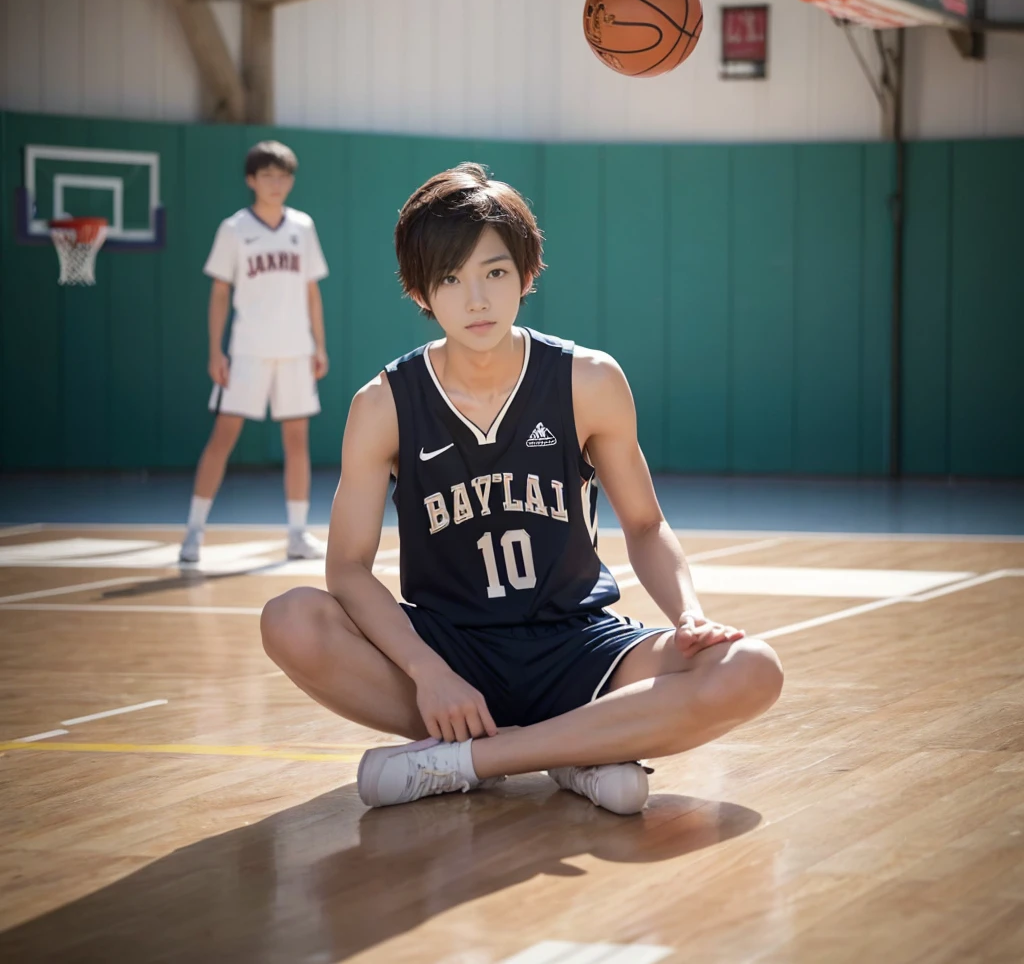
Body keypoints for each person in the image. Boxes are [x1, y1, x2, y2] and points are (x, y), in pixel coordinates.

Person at [260, 163, 783, 814]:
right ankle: (575, 751)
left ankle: (471, 761)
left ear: (527, 274)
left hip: (578, 645)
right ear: (420, 291)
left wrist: (688, 615)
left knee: (752, 667)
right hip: (449, 649)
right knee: (290, 620)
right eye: (450, 278)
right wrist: (429, 673)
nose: (475, 299)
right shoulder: (384, 405)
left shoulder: (586, 381)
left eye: (494, 272)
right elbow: (346, 568)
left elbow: (645, 526)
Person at [180, 141, 330, 563]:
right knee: (223, 437)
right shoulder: (233, 229)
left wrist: (319, 345)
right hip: (246, 350)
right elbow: (218, 293)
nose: (276, 183)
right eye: (267, 175)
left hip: (295, 352)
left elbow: (312, 292)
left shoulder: (302, 226)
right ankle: (193, 531)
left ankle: (298, 534)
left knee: (297, 441)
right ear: (251, 180)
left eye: (283, 176)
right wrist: (216, 350)